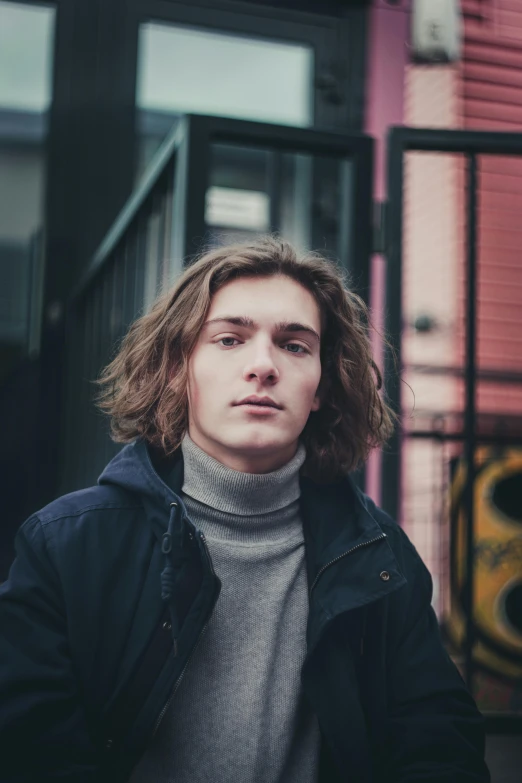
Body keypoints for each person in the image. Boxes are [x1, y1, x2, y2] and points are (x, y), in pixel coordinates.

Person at [0, 237, 489, 783]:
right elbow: (31, 751)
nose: (263, 366)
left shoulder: (380, 556)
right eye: (229, 339)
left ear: (322, 386)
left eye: (295, 346)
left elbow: (439, 744)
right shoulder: (64, 545)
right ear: (174, 370)